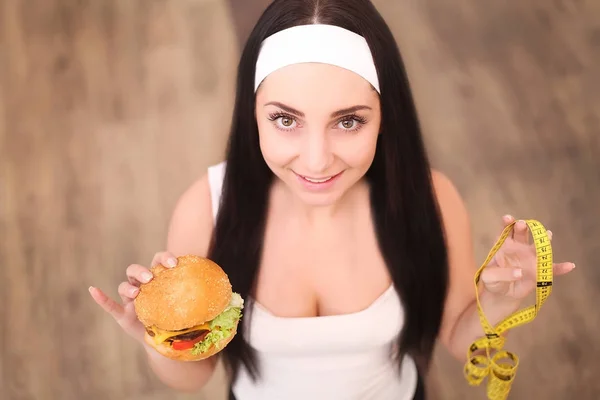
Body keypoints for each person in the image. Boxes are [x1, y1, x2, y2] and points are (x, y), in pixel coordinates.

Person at [88, 1, 576, 399]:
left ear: (386, 116)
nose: (317, 161)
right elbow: (195, 375)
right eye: (285, 119)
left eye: (348, 121)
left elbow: (457, 339)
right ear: (252, 113)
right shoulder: (205, 211)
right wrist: (159, 340)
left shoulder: (431, 198)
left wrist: (499, 300)